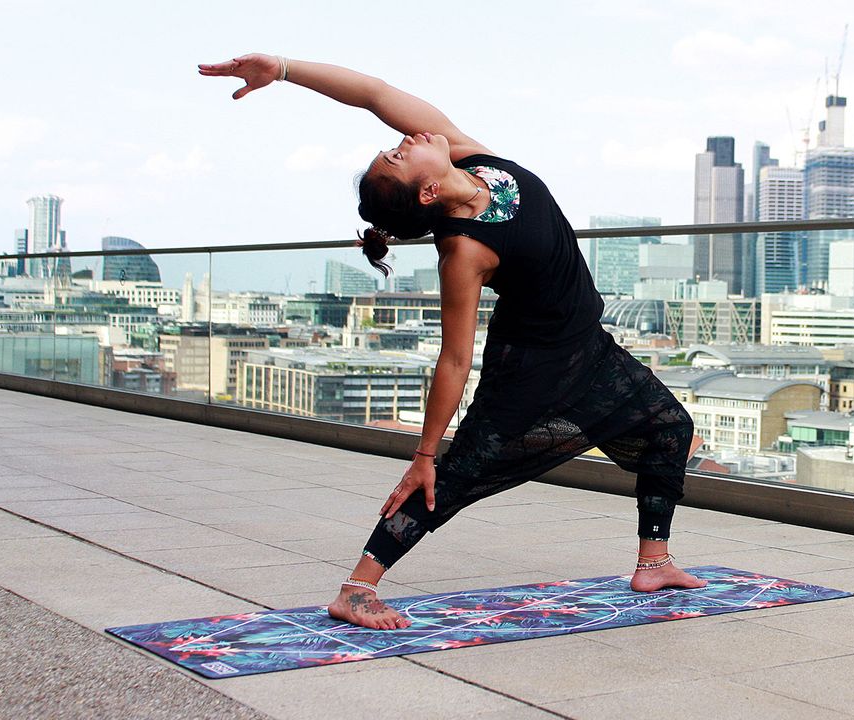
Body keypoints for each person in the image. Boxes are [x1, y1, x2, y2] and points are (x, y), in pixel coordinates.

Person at [199, 54, 706, 630]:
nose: (405, 140)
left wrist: (284, 69)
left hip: (589, 349)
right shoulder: (463, 249)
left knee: (670, 427)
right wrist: (423, 454)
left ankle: (654, 561)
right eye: (397, 154)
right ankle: (358, 588)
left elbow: (373, 91)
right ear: (427, 191)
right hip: (533, 371)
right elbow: (455, 357)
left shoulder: (472, 160)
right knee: (455, 476)